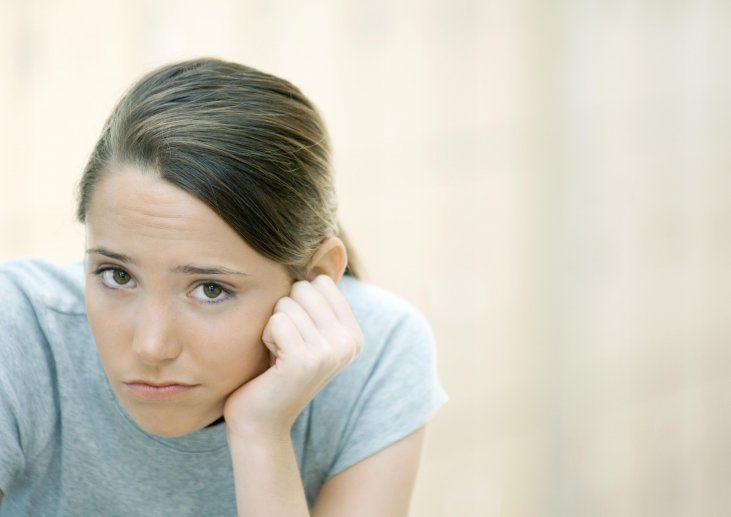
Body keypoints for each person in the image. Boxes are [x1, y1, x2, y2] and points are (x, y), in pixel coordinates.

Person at [0, 58, 446, 516]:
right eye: (118, 275)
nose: (151, 347)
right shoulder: (20, 332)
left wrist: (260, 435)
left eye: (210, 289)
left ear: (316, 276)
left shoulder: (377, 354)